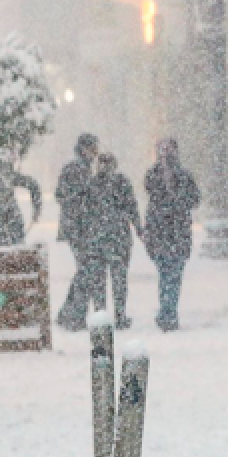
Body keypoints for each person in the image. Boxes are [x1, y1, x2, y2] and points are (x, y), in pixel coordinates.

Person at [143, 139, 200, 332]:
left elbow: (193, 199)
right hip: (164, 233)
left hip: (174, 233)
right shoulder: (154, 176)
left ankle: (168, 312)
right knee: (168, 275)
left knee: (171, 275)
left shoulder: (182, 176)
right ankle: (168, 312)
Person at [54, 133, 102, 331]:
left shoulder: (81, 168)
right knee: (87, 272)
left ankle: (70, 313)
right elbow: (64, 195)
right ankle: (73, 315)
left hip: (78, 228)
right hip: (79, 229)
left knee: (84, 272)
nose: (96, 153)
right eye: (93, 149)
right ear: (84, 149)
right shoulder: (78, 169)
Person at [90, 154, 140, 329]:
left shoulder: (92, 184)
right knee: (118, 280)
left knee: (100, 282)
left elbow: (84, 212)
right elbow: (132, 207)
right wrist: (139, 228)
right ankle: (119, 316)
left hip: (98, 239)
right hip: (118, 239)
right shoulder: (121, 183)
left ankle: (101, 316)